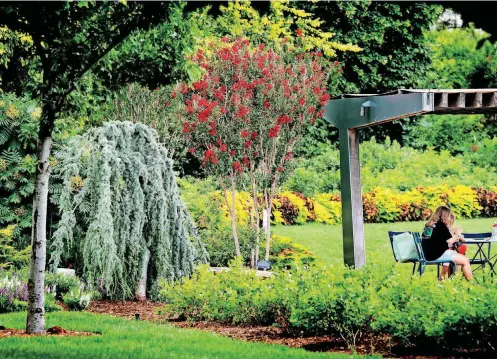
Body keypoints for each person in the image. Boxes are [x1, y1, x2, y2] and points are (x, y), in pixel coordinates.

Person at [422, 206, 473, 281]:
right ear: (444, 216)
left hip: (426, 254)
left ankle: (447, 278)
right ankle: (470, 283)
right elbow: (450, 241)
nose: (449, 217)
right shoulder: (441, 225)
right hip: (436, 255)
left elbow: (439, 239)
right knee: (465, 260)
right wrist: (458, 234)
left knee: (453, 254)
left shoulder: (429, 226)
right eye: (449, 215)